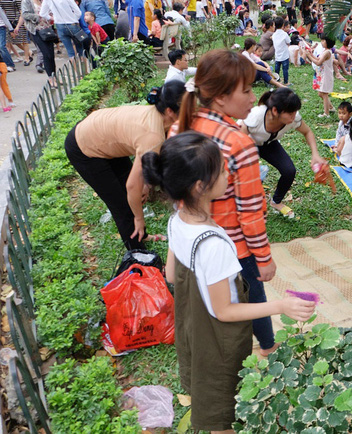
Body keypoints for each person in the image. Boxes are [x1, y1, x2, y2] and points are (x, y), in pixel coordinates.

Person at [143, 131, 315, 434]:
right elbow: (224, 311)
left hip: (193, 328)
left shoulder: (177, 219)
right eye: (222, 170)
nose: (228, 173)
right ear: (200, 186)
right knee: (223, 415)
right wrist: (281, 305)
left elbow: (170, 275)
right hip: (218, 341)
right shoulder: (214, 245)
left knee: (208, 395)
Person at [171, 49, 283, 363]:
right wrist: (264, 259)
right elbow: (250, 213)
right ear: (220, 98)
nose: (253, 98)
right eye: (246, 90)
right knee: (252, 297)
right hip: (234, 246)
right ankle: (268, 348)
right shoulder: (239, 144)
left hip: (193, 239)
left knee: (206, 301)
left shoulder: (180, 126)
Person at [64, 81, 186, 250]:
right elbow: (132, 186)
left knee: (132, 193)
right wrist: (139, 218)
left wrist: (145, 185)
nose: (192, 111)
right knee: (122, 206)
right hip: (84, 148)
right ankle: (139, 256)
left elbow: (141, 170)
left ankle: (141, 235)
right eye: (188, 106)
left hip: (105, 140)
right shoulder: (153, 135)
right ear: (170, 111)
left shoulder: (156, 117)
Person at [240, 87, 327, 219]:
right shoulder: (255, 116)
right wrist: (249, 163)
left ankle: (276, 202)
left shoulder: (293, 118)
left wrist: (315, 154)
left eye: (295, 112)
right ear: (275, 111)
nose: (294, 116)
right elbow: (239, 142)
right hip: (247, 144)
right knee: (248, 177)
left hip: (269, 143)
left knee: (289, 171)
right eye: (290, 113)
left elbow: (307, 132)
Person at [19, 0, 56, 86]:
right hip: (36, 30)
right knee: (46, 54)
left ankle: (54, 77)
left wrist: (51, 16)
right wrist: (38, 17)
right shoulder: (26, 1)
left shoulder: (44, 1)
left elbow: (51, 11)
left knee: (51, 54)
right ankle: (50, 78)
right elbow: (25, 14)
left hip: (47, 29)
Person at [302, 36, 334, 118]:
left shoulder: (327, 52)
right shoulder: (324, 51)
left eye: (323, 41)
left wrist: (309, 56)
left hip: (326, 75)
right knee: (321, 93)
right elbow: (318, 58)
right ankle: (331, 107)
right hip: (321, 74)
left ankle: (326, 113)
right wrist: (311, 54)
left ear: (327, 42)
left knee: (324, 93)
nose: (321, 42)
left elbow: (318, 62)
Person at [2, 0, 32, 65]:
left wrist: (18, 25)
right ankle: (29, 52)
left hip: (18, 20)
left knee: (23, 40)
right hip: (7, 21)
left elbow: (22, 12)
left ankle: (26, 58)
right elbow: (2, 11)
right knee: (10, 42)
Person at [271, 17, 290, 85]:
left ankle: (277, 80)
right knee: (285, 69)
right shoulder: (285, 34)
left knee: (277, 69)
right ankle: (286, 81)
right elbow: (288, 42)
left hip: (277, 55)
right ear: (283, 25)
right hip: (284, 55)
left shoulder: (274, 35)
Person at [0, 5, 16, 71]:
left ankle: (10, 64)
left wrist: (11, 29)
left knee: (1, 46)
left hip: (1, 28)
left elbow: (4, 18)